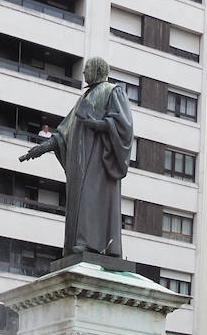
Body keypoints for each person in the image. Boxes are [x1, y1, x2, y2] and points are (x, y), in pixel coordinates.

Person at [19, 56, 133, 258]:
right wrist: (43, 147)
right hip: (80, 164)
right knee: (79, 201)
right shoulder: (84, 98)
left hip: (100, 160)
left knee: (92, 198)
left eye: (87, 68)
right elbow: (65, 131)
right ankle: (80, 244)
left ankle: (93, 244)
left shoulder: (112, 91)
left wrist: (99, 125)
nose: (83, 72)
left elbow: (125, 126)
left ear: (97, 70)